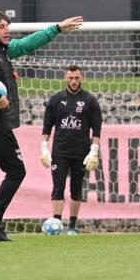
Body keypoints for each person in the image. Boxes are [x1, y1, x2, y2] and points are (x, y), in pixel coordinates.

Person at [0, 10, 84, 242]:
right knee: (16, 171)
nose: (7, 30)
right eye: (1, 27)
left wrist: (57, 28)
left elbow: (29, 43)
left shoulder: (3, 50)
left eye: (7, 25)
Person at [40, 65, 101, 235]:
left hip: (81, 153)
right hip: (60, 152)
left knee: (76, 189)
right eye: (71, 78)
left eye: (77, 78)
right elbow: (47, 126)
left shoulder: (90, 100)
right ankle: (57, 225)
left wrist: (94, 150)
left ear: (82, 78)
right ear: (65, 78)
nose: (74, 81)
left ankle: (72, 228)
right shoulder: (56, 99)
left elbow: (96, 129)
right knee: (58, 188)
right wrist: (43, 147)